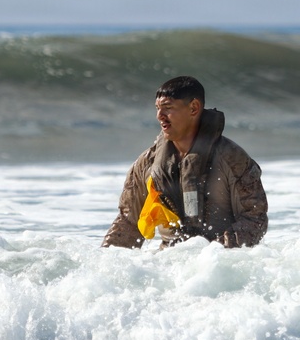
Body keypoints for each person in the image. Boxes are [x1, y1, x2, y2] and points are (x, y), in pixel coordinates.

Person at [103, 76, 268, 249]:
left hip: (219, 258)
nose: (160, 116)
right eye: (158, 108)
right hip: (170, 258)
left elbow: (254, 218)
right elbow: (128, 222)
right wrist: (105, 260)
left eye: (168, 108)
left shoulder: (232, 159)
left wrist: (214, 253)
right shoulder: (146, 164)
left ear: (194, 108)